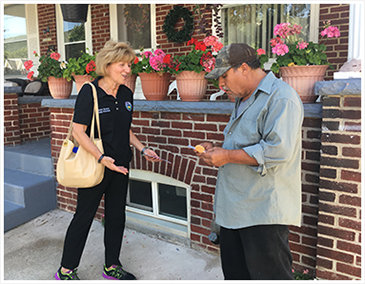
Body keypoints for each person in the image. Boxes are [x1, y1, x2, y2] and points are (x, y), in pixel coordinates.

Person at [196, 43, 304, 280]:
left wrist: (226, 156)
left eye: (224, 76)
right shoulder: (243, 98)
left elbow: (278, 150)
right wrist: (217, 149)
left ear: (244, 68)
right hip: (235, 209)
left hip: (263, 212)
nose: (220, 84)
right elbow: (243, 143)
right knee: (236, 275)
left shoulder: (281, 97)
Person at [55, 40, 161, 281]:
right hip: (97, 164)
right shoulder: (89, 92)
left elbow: (125, 128)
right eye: (122, 64)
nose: (127, 70)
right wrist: (102, 158)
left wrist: (143, 149)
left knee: (116, 216)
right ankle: (66, 270)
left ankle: (111, 265)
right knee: (83, 217)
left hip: (121, 165)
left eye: (129, 65)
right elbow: (79, 132)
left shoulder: (126, 93)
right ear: (108, 65)